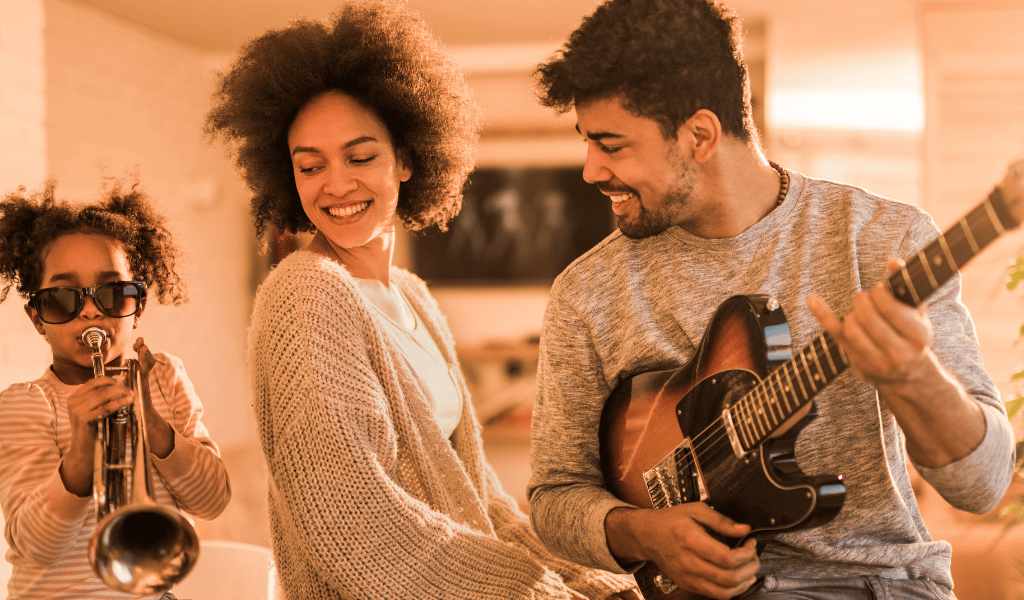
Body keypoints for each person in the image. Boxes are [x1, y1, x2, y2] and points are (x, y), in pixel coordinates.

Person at [526, 1, 1021, 599]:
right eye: (587, 142)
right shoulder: (587, 292)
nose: (590, 170)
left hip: (874, 584)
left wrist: (915, 377)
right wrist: (644, 533)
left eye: (612, 145)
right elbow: (555, 496)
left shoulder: (882, 239)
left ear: (700, 136)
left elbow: (983, 485)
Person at [204, 2, 637, 599]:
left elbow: (478, 498)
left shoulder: (413, 297)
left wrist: (586, 580)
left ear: (406, 158)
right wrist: (539, 594)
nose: (336, 184)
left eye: (360, 157)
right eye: (311, 166)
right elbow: (353, 528)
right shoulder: (305, 295)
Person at [0, 179, 232, 599]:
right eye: (62, 299)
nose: (90, 309)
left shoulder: (163, 376)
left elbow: (213, 501)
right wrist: (80, 456)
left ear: (138, 307)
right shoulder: (24, 404)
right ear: (38, 319)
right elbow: (34, 545)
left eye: (114, 293)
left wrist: (156, 428)